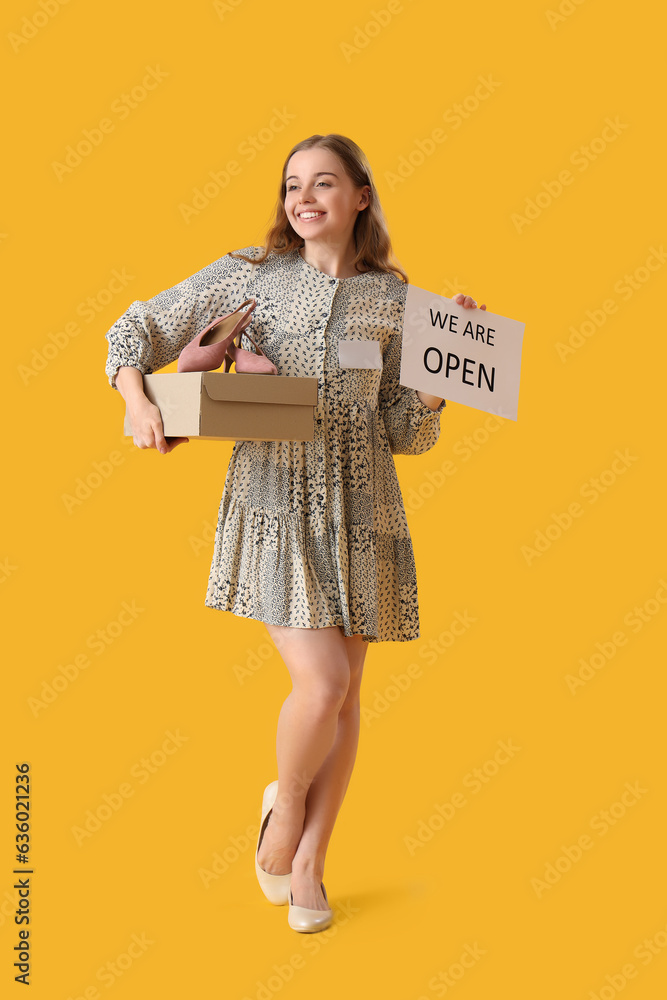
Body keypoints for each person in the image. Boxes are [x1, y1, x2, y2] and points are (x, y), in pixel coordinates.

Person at [104, 133, 486, 933]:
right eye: (291, 185)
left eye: (323, 183)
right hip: (277, 494)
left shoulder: (394, 299)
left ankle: (311, 863)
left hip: (365, 504)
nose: (303, 198)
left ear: (360, 199)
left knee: (346, 695)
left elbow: (401, 434)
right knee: (322, 685)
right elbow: (133, 331)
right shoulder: (251, 276)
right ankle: (282, 824)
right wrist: (138, 403)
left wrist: (439, 377)